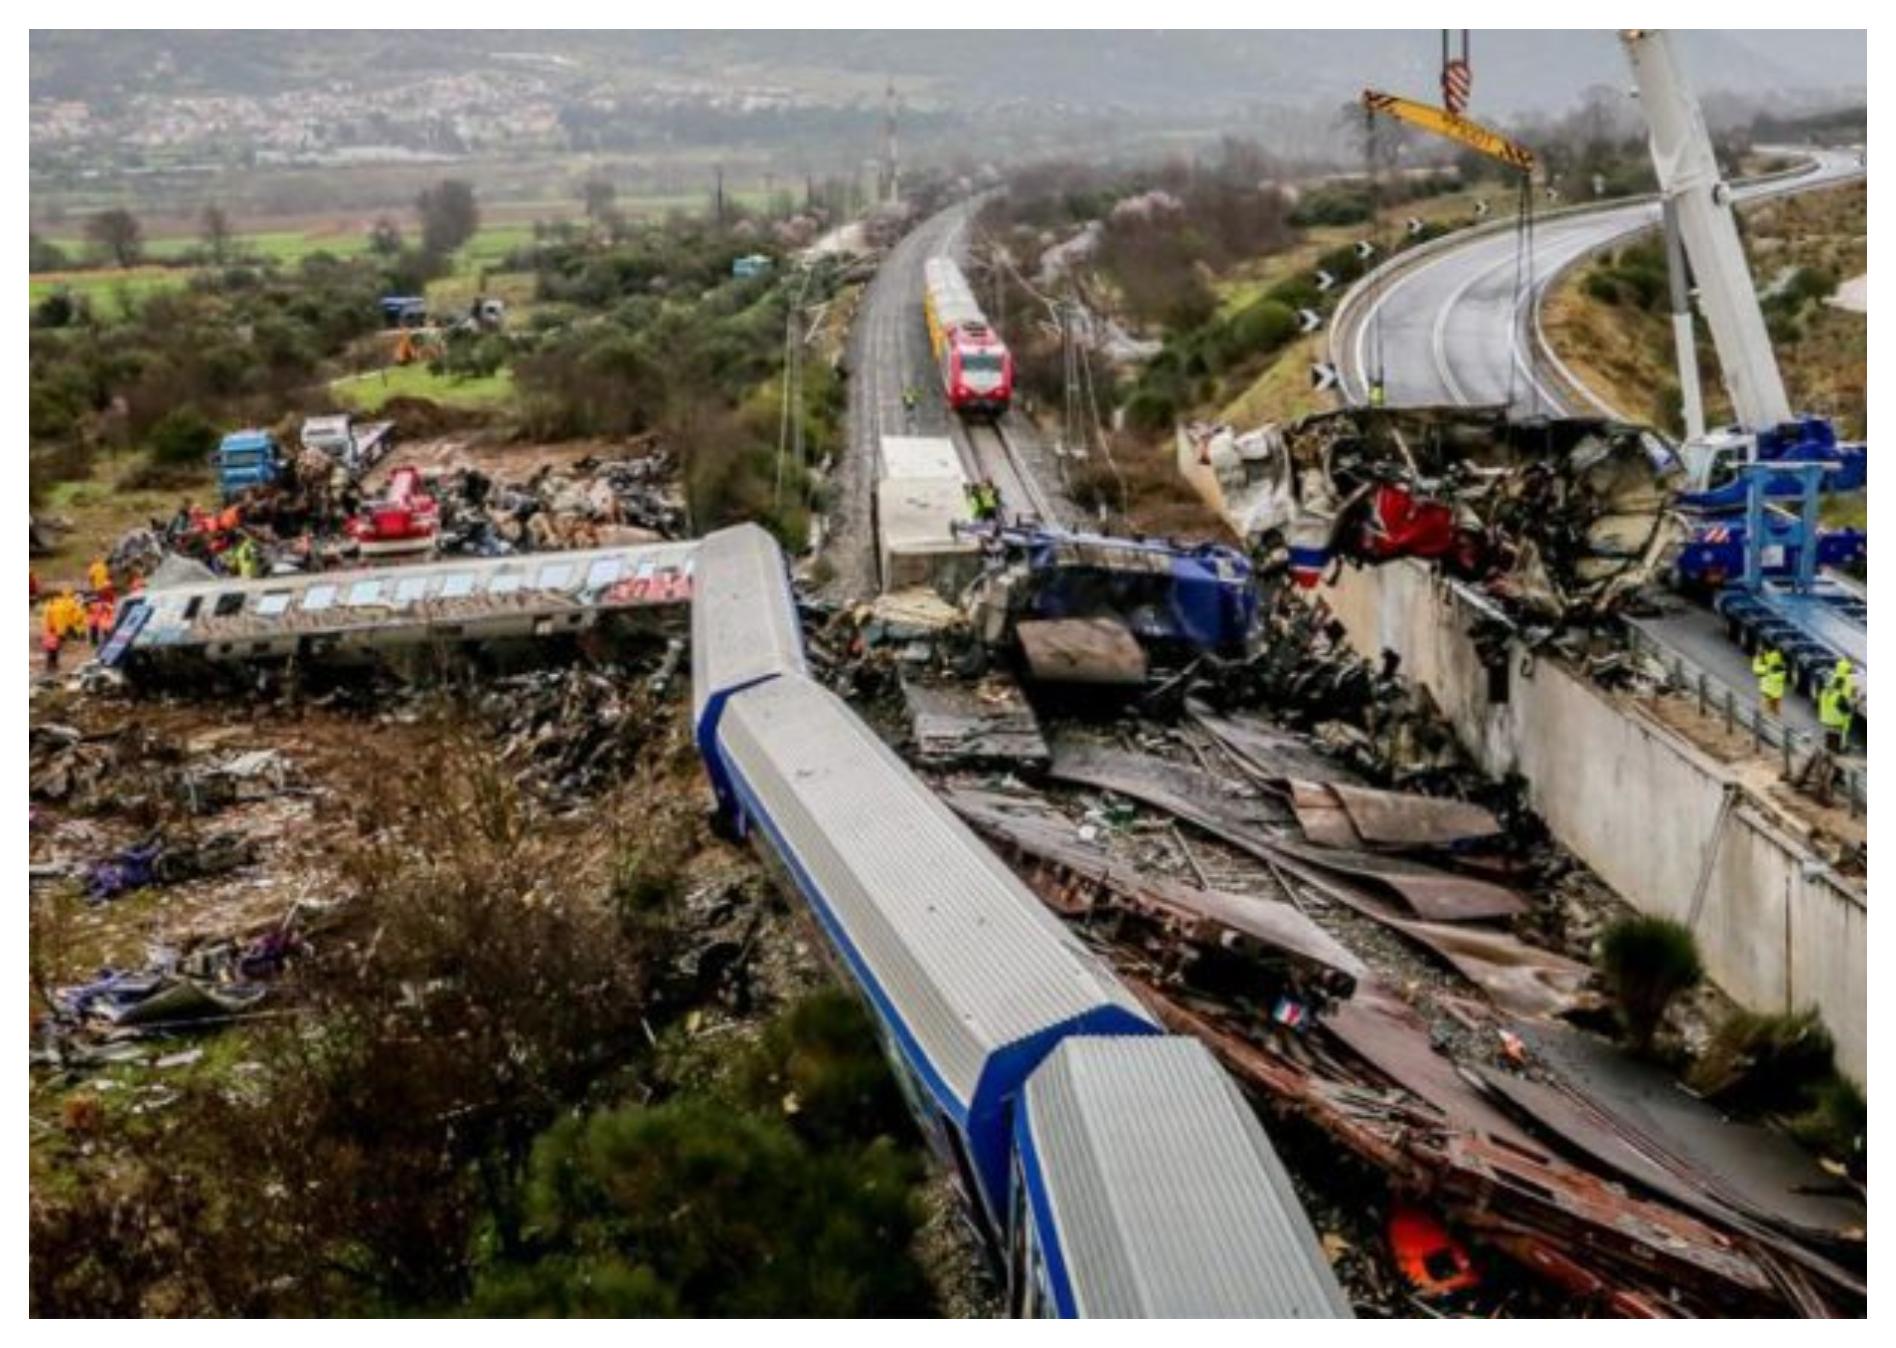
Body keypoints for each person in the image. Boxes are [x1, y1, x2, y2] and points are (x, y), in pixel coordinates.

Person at [1819, 659, 1857, 754]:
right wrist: (1856, 702)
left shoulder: (1829, 685)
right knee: (1839, 735)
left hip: (1826, 716)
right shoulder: (1841, 692)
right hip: (1837, 718)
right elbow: (1846, 708)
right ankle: (1839, 750)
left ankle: (1830, 750)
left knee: (1830, 736)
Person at [1752, 645, 1787, 718]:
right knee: (1772, 712)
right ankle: (1773, 723)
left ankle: (1770, 723)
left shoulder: (1771, 659)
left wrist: (1758, 658)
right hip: (1773, 691)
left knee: (1770, 712)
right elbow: (1757, 670)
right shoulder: (1775, 658)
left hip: (1771, 691)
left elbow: (1756, 669)